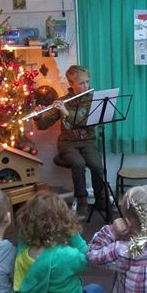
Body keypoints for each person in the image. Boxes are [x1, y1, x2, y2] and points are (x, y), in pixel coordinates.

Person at [14, 192, 107, 293]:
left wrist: (30, 226)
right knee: (96, 290)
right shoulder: (66, 255)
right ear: (62, 223)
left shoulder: (22, 254)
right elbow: (89, 258)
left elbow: (22, 237)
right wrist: (74, 237)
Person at [33, 65, 105, 221]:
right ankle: (82, 202)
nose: (87, 86)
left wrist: (66, 112)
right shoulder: (62, 101)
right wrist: (38, 117)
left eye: (87, 82)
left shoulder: (93, 99)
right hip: (68, 143)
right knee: (78, 164)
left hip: (88, 141)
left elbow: (84, 121)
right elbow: (44, 125)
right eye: (82, 83)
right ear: (71, 84)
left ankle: (101, 200)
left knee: (97, 166)